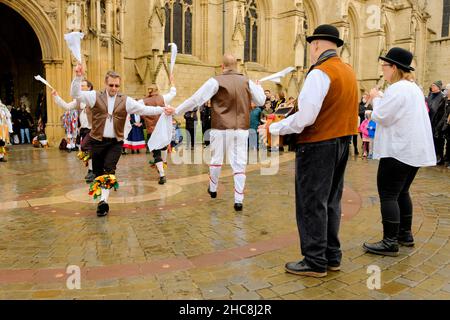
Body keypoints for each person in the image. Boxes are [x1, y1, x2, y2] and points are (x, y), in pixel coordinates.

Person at [260, 24, 359, 277]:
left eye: (311, 47)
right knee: (331, 201)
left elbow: (306, 117)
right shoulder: (348, 71)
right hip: (340, 143)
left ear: (316, 45)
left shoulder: (320, 72)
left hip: (317, 144)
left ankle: (315, 260)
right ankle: (331, 256)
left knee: (312, 202)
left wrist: (275, 128)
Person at [70, 63, 175, 217]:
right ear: (106, 84)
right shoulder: (94, 96)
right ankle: (101, 199)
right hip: (97, 141)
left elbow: (144, 109)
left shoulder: (125, 100)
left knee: (109, 170)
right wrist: (77, 77)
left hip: (115, 143)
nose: (114, 88)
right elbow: (76, 94)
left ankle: (103, 202)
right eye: (111, 85)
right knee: (98, 173)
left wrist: (162, 110)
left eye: (117, 85)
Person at [362, 47, 436, 256]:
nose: (383, 70)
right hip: (412, 152)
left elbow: (383, 116)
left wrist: (376, 97)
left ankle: (389, 241)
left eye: (384, 66)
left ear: (394, 67)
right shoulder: (412, 88)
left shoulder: (397, 88)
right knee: (402, 192)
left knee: (388, 194)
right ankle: (405, 234)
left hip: (397, 151)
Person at [175, 53, 265, 211]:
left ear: (222, 66)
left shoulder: (215, 81)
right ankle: (238, 200)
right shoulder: (247, 81)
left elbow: (196, 99)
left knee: (216, 160)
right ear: (236, 66)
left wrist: (176, 110)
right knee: (240, 164)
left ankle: (213, 188)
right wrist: (258, 88)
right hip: (242, 129)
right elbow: (261, 101)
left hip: (221, 127)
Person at [53, 79, 96, 182]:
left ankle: (93, 170)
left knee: (86, 147)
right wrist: (56, 96)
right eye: (80, 85)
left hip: (94, 129)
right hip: (84, 130)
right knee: (88, 149)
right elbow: (67, 106)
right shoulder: (79, 101)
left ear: (89, 88)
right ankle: (91, 170)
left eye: (83, 85)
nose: (81, 87)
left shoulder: (94, 98)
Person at [141, 81, 177, 184]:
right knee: (164, 147)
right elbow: (173, 93)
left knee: (156, 155)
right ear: (157, 90)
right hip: (162, 130)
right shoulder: (162, 98)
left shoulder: (143, 101)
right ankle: (164, 162)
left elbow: (134, 107)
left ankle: (162, 175)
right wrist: (172, 82)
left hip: (151, 131)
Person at [427, 80, 446, 164]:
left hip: (437, 121)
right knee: (430, 140)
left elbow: (442, 112)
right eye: (432, 85)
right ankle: (431, 157)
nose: (432, 87)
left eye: (434, 85)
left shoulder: (442, 97)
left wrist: (439, 124)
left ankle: (439, 158)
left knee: (438, 141)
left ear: (438, 87)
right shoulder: (430, 95)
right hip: (429, 120)